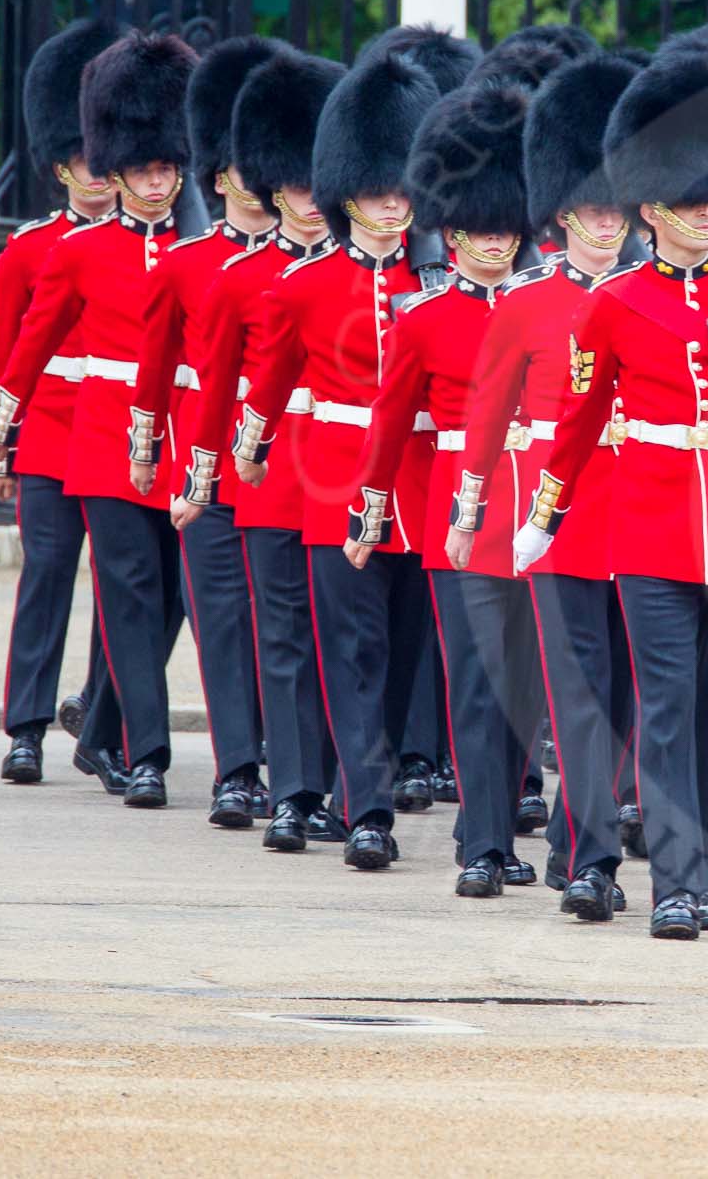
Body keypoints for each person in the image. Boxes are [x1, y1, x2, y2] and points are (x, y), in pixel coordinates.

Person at [512, 54, 708, 940]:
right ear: (653, 210)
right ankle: (673, 879)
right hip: (655, 526)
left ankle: (700, 868)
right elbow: (580, 422)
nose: (706, 218)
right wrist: (545, 513)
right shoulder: (616, 303)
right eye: (690, 204)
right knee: (665, 704)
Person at [237, 47, 444, 859]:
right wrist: (248, 450)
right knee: (349, 649)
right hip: (334, 484)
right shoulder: (304, 284)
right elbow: (272, 381)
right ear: (344, 194)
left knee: (401, 654)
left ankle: (374, 780)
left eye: (400, 193)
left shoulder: (435, 288)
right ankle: (367, 813)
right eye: (374, 193)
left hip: (420, 483)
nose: (391, 208)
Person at [452, 50, 644, 920]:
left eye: (616, 210)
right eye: (591, 212)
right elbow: (489, 419)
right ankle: (587, 853)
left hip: (643, 513)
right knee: (572, 695)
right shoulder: (524, 305)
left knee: (623, 697)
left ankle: (579, 840)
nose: (606, 226)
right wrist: (470, 513)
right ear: (562, 215)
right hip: (554, 516)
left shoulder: (659, 297)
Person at [0, 32, 199, 810]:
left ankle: (102, 725)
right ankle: (43, 727)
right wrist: (0, 436)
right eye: (135, 163)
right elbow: (18, 349)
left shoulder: (191, 249)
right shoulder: (49, 250)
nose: (149, 176)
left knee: (158, 598)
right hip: (71, 435)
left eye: (163, 163)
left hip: (167, 439)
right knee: (61, 577)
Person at [343, 81, 544, 897]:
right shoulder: (420, 316)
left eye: (506, 227)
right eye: (479, 228)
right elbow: (389, 432)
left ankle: (491, 824)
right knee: (473, 683)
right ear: (451, 229)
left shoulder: (549, 309)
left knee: (524, 688)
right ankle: (483, 847)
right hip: (457, 517)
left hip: (531, 509)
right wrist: (367, 516)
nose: (495, 242)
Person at [171, 50, 348, 833]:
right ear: (273, 186)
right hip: (270, 469)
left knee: (339, 633)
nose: (310, 202)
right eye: (297, 186)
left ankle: (343, 784)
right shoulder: (241, 278)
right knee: (278, 630)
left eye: (321, 184)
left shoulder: (369, 278)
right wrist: (198, 480)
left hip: (342, 470)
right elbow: (213, 391)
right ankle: (292, 790)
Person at [128, 36, 286, 827]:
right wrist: (150, 446)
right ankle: (238, 767)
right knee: (221, 615)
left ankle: (290, 764)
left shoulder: (307, 268)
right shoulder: (188, 264)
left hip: (288, 462)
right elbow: (157, 370)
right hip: (210, 462)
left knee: (279, 620)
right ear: (221, 176)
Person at [0, 18, 125, 789]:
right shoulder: (29, 249)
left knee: (119, 580)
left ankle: (102, 717)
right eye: (81, 159)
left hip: (110, 432)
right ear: (60, 165)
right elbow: (5, 355)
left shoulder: (148, 250)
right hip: (45, 431)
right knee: (46, 573)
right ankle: (25, 724)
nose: (96, 172)